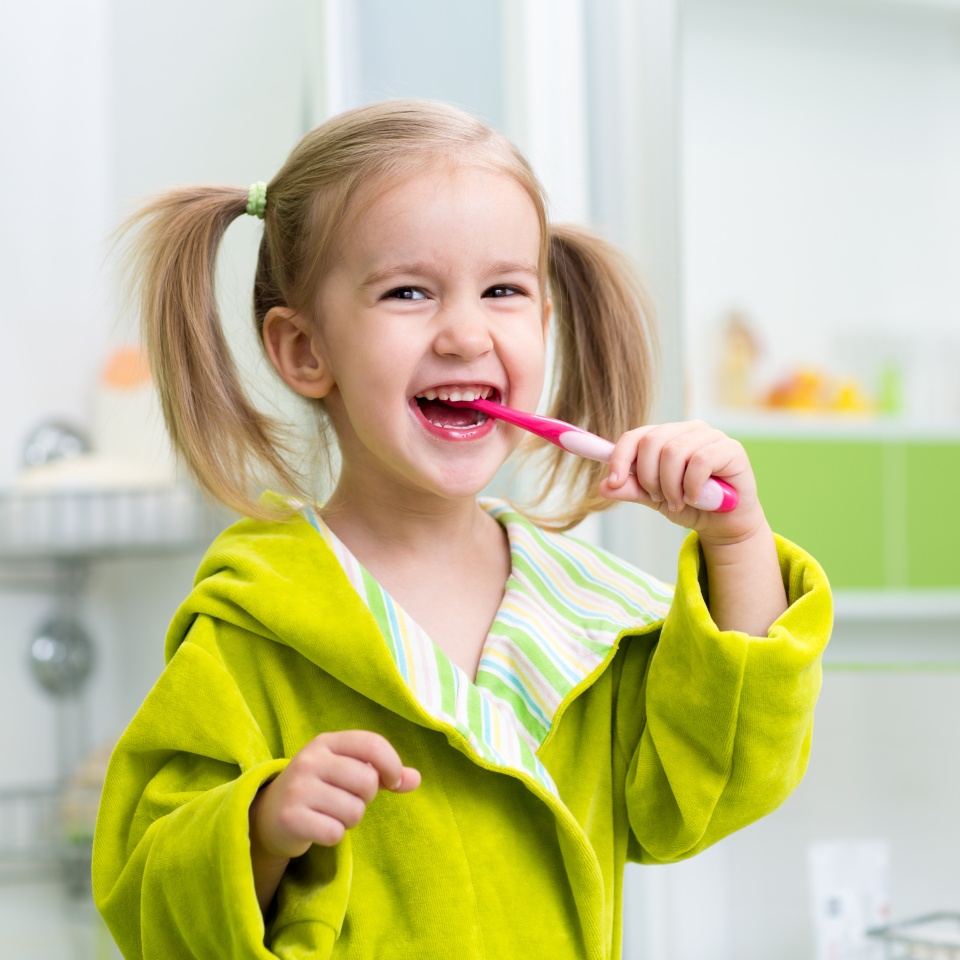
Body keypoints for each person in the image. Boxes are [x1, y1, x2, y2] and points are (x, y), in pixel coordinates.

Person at [92, 100, 831, 960]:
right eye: (407, 291)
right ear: (304, 351)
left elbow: (715, 784)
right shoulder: (250, 628)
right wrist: (259, 828)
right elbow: (147, 897)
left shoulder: (588, 617)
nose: (465, 332)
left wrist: (736, 544)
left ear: (543, 326)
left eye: (504, 291)